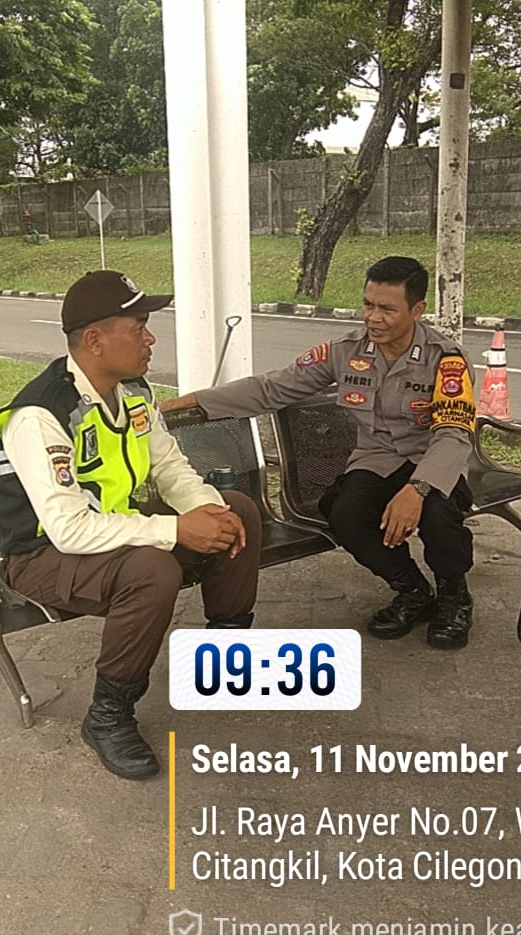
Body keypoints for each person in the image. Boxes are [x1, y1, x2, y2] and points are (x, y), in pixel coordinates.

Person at [0, 270, 261, 780]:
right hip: (44, 556)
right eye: (138, 328)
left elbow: (169, 467)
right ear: (94, 341)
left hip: (111, 533)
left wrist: (205, 511)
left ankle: (226, 657)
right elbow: (69, 530)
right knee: (152, 570)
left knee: (235, 510)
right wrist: (175, 531)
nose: (150, 338)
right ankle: (108, 715)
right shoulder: (41, 414)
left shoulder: (133, 392)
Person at [160, 256, 475, 649]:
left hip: (432, 461)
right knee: (345, 514)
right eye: (368, 305)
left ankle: (453, 597)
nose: (373, 318)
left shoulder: (445, 359)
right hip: (377, 461)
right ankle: (412, 590)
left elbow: (453, 434)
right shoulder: (345, 351)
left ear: (417, 309)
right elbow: (271, 388)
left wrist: (418, 489)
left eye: (387, 309)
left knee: (439, 514)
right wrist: (192, 402)